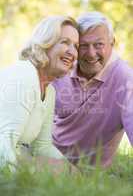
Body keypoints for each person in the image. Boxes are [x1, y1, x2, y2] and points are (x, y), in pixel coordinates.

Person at [52, 11, 133, 169]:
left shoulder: (125, 79)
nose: (91, 54)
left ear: (112, 43)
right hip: (47, 154)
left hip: (87, 171)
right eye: (83, 46)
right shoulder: (63, 69)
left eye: (98, 45)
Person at [0, 15, 79, 171]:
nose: (72, 52)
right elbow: (3, 148)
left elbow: (42, 146)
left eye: (76, 46)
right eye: (65, 42)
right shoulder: (23, 77)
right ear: (45, 44)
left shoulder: (49, 91)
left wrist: (71, 171)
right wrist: (37, 169)